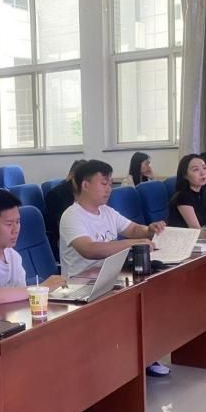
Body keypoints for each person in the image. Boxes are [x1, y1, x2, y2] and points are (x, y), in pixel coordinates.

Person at [0, 189, 109, 412]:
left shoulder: (13, 256)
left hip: (5, 328)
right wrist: (41, 288)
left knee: (60, 340)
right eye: (9, 224)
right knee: (33, 358)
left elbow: (20, 299)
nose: (16, 229)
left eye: (18, 222)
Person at [58, 159, 169, 378]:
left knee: (149, 295)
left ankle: (144, 356)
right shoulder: (72, 216)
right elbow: (89, 249)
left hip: (110, 277)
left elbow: (133, 229)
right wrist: (131, 244)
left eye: (110, 183)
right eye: (104, 183)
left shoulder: (106, 211)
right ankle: (123, 363)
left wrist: (149, 229)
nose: (109, 188)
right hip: (82, 286)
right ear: (85, 185)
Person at [43, 159, 86, 260]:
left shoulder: (83, 192)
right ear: (72, 176)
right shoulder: (56, 195)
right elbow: (62, 226)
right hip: (65, 241)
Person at [167, 154, 206, 236]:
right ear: (185, 175)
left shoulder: (203, 193)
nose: (203, 173)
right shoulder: (183, 197)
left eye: (204, 168)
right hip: (183, 240)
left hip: (196, 239)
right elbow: (196, 230)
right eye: (196, 169)